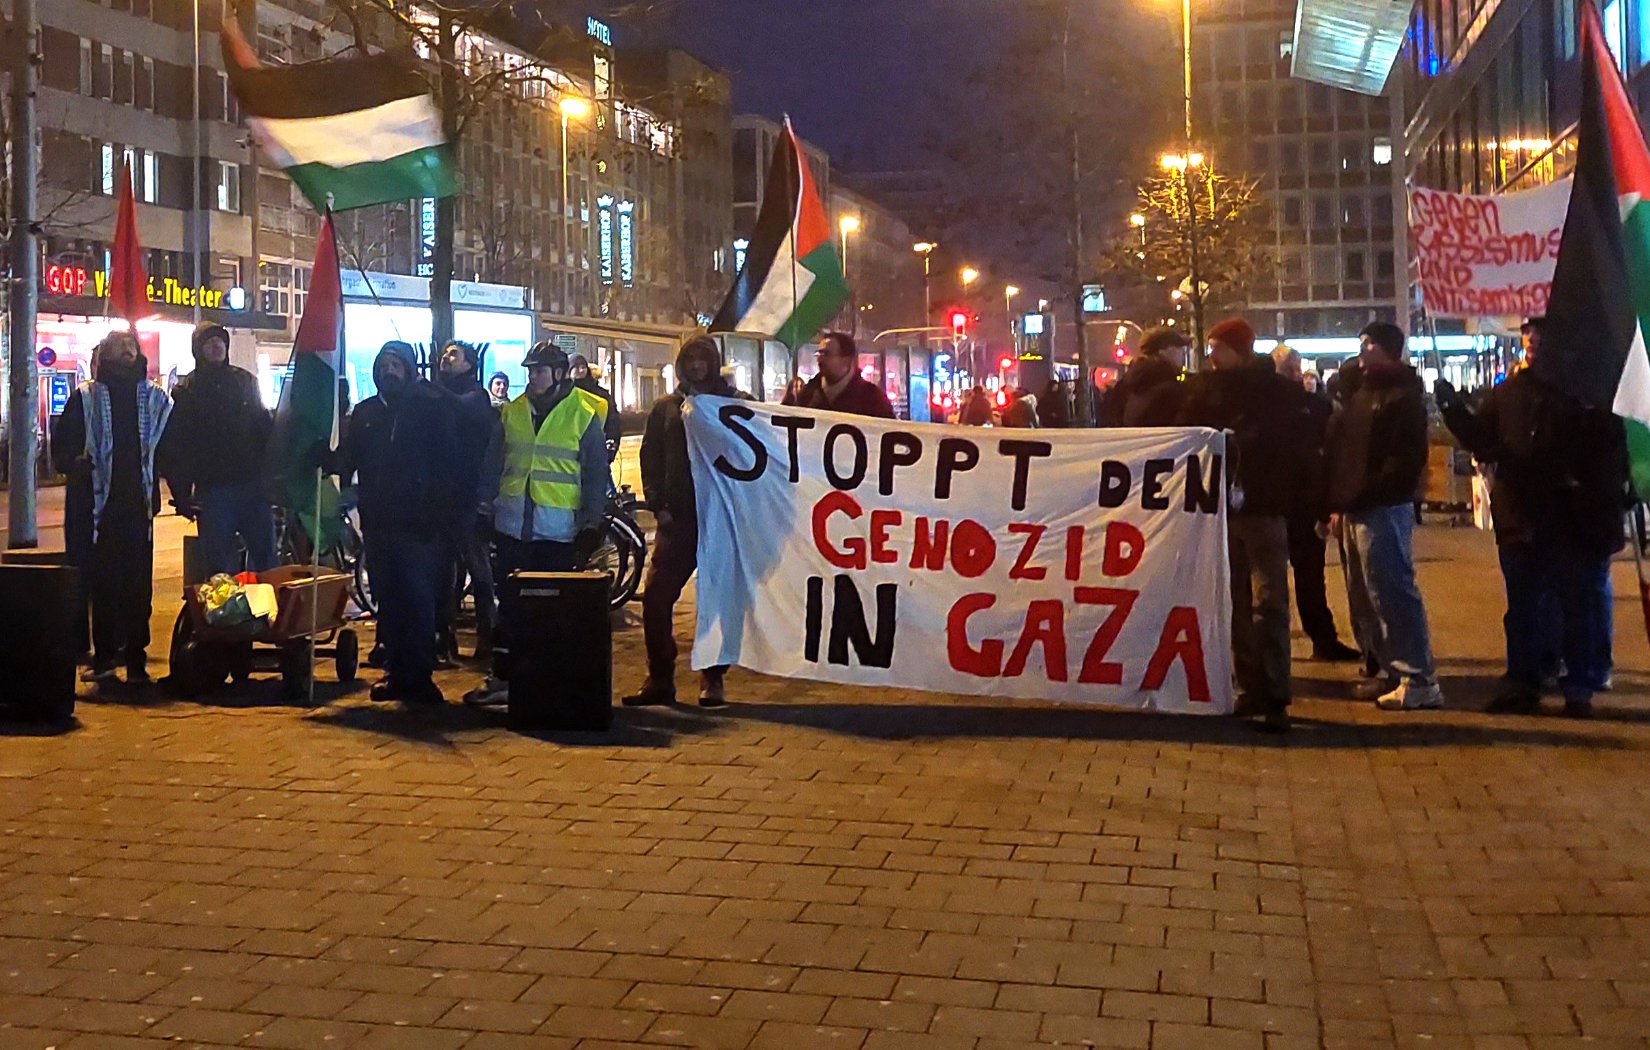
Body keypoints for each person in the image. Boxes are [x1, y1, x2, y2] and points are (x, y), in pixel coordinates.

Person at [1436, 316, 1627, 717]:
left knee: (1575, 606)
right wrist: (1454, 411)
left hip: (1570, 521)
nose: (1532, 342)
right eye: (1528, 336)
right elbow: (1486, 441)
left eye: (1540, 335)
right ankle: (1523, 683)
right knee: (1523, 608)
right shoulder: (1509, 393)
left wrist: (1597, 495)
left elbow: (1608, 452)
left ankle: (1579, 686)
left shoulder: (1584, 393)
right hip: (1521, 519)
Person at [1177, 318, 1307, 732]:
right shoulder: (1204, 389)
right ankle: (1250, 685)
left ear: (1240, 350)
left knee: (1267, 601)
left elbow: (1288, 443)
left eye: (1219, 349)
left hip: (1263, 505)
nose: (1212, 357)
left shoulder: (1277, 393)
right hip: (1221, 508)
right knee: (1234, 600)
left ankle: (1274, 692)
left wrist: (1242, 441)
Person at [466, 342, 613, 706]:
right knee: (509, 609)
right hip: (513, 529)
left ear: (559, 374)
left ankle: (546, 680)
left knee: (552, 613)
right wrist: (485, 511)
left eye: (539, 370)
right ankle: (502, 679)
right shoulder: (512, 412)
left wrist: (592, 525)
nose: (532, 377)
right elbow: (492, 465)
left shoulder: (582, 414)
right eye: (529, 370)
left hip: (558, 534)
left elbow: (595, 475)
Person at [337, 341, 463, 705]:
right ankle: (396, 671)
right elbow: (351, 459)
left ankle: (420, 675)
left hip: (418, 523)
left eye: (395, 365)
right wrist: (328, 460)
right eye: (383, 365)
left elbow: (448, 462)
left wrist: (438, 510)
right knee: (388, 600)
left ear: (408, 370)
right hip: (379, 522)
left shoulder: (428, 408)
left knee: (418, 600)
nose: (388, 371)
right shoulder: (366, 413)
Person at [1325, 322, 1443, 711]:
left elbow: (1404, 459)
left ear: (1388, 350)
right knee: (1364, 594)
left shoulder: (1401, 396)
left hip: (1382, 505)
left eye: (1369, 343)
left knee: (1391, 590)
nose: (1362, 350)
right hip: (1355, 504)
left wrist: (1368, 489)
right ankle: (1388, 668)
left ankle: (1418, 676)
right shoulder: (1363, 392)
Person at [624, 336, 747, 709]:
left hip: (720, 518)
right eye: (689, 358)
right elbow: (652, 458)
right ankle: (660, 676)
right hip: (679, 519)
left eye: (703, 358)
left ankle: (714, 678)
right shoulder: (667, 408)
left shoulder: (733, 406)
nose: (696, 365)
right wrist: (658, 504)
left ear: (714, 363)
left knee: (718, 598)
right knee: (657, 597)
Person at [51, 331, 173, 684]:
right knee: (102, 584)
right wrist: (73, 465)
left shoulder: (154, 399)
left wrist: (179, 486)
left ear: (138, 356)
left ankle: (136, 657)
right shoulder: (86, 398)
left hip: (137, 505)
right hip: (97, 508)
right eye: (117, 350)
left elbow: (168, 448)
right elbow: (65, 446)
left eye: (130, 349)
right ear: (104, 357)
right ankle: (104, 656)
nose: (125, 355)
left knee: (138, 586)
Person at [159, 323, 276, 576]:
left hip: (252, 487)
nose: (216, 346)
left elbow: (265, 430)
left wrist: (273, 477)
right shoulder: (186, 391)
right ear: (198, 350)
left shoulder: (245, 382)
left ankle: (268, 611)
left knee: (266, 561)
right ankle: (227, 614)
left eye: (220, 341)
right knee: (220, 569)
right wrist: (181, 494)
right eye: (209, 342)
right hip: (213, 492)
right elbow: (175, 446)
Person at [1271, 343, 1359, 662]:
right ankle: (1319, 639)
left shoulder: (1311, 406)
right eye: (1289, 369)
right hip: (1291, 502)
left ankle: (1320, 638)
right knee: (1299, 577)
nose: (1294, 375)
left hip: (1296, 503)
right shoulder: (1309, 406)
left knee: (1306, 576)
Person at [434, 341, 503, 663]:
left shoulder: (476, 396)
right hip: (443, 496)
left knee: (478, 570)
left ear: (469, 364)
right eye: (445, 355)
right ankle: (443, 638)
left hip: (469, 496)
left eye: (454, 355)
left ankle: (487, 633)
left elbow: (465, 409)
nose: (446, 360)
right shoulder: (441, 397)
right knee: (444, 572)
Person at [782, 331, 895, 417]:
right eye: (819, 353)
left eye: (826, 354)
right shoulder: (807, 394)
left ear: (846, 360)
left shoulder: (872, 398)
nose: (820, 359)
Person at [1100, 326, 1191, 427]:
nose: (1182, 353)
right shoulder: (1170, 388)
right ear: (1163, 351)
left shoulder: (1125, 384)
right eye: (1178, 347)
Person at [571, 353, 623, 460]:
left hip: (597, 456)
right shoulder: (563, 394)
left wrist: (609, 453)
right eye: (576, 367)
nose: (580, 370)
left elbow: (613, 424)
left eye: (583, 367)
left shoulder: (601, 395)